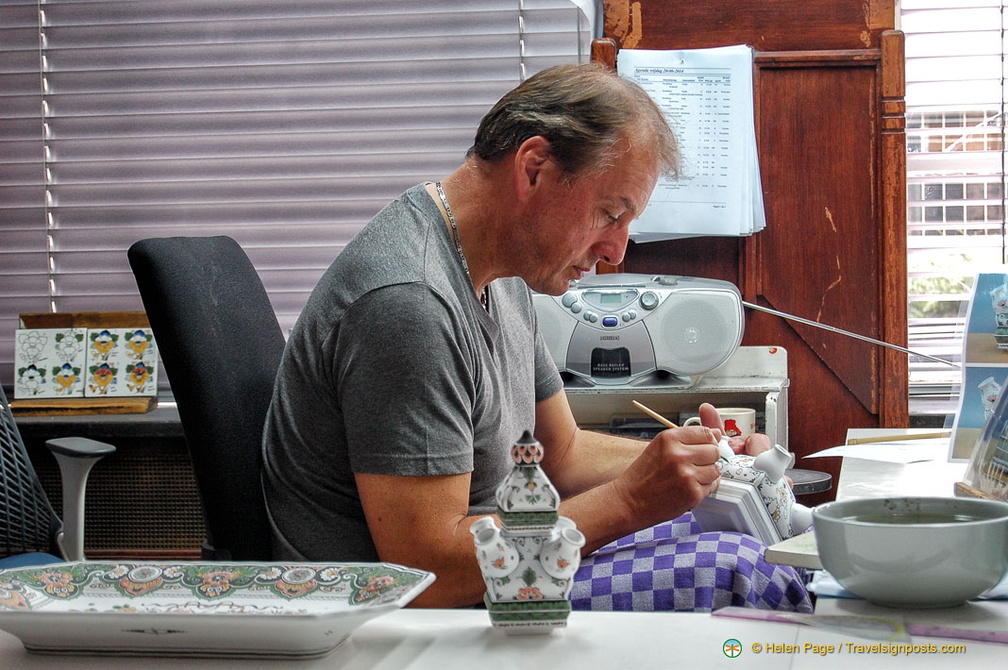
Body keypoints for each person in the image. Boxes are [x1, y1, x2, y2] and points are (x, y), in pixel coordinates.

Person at [261, 63, 811, 612]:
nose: (616, 252)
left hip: (479, 570)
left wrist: (701, 461)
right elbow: (426, 571)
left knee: (720, 534)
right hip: (405, 615)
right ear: (534, 168)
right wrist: (631, 498)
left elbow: (560, 454)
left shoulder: (502, 277)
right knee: (741, 568)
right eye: (609, 214)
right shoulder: (410, 303)